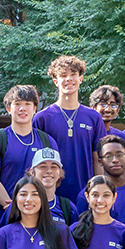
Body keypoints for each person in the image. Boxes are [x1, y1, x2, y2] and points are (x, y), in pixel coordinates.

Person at [32, 56, 102, 214]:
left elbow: (98, 158)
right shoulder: (42, 118)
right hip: (51, 196)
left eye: (73, 74)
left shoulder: (93, 117)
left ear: (81, 79)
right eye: (63, 75)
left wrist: (98, 189)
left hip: (85, 194)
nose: (68, 79)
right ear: (56, 81)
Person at [0, 85, 57, 229]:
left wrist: (32, 208)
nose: (23, 109)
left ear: (35, 108)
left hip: (38, 217)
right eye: (17, 104)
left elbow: (52, 178)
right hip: (2, 216)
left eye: (28, 104)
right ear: (9, 109)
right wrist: (15, 208)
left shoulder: (47, 141)